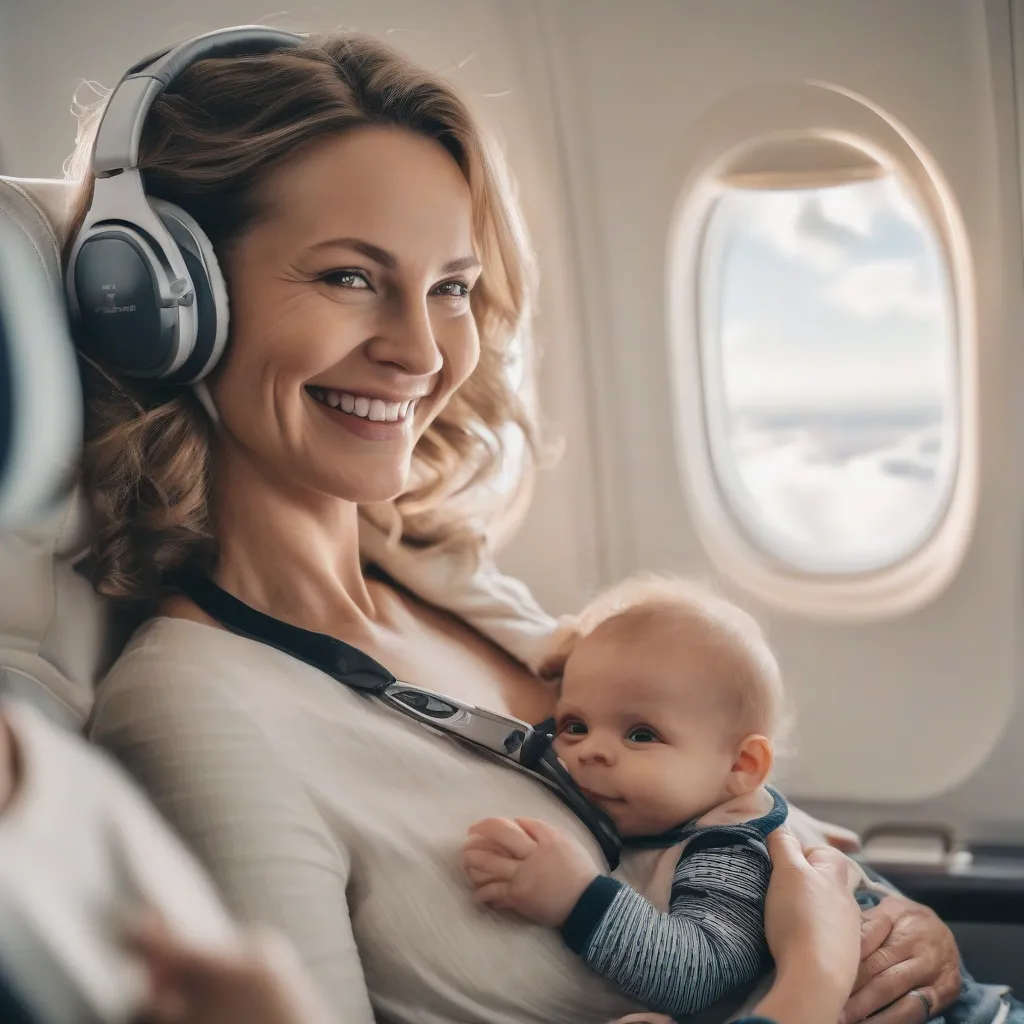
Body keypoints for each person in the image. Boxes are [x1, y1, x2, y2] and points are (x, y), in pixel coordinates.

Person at [67, 27, 962, 1024]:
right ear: (160, 302)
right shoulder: (194, 709)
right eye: (350, 278)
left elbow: (733, 835)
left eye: (449, 286)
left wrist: (908, 936)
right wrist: (815, 980)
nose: (420, 352)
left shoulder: (449, 581)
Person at [463, 574, 791, 1020]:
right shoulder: (663, 810)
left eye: (641, 734)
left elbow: (699, 975)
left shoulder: (728, 851)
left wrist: (575, 896)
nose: (591, 750)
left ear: (741, 767)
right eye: (575, 725)